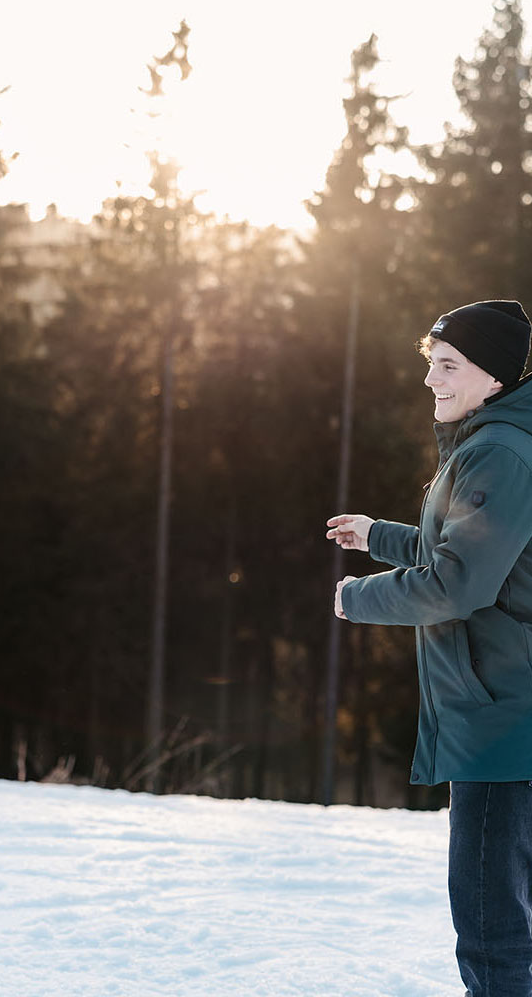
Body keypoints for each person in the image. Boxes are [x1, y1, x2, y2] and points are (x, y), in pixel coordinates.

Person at [326, 299, 532, 997]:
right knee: (501, 914)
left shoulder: (498, 453)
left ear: (493, 376)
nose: (430, 380)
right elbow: (473, 548)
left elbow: (457, 582)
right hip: (503, 707)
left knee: (491, 924)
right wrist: (378, 535)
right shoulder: (495, 441)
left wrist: (357, 598)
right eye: (431, 363)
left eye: (448, 365)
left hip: (501, 718)